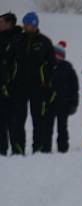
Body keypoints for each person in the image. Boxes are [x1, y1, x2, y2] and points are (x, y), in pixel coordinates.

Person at [6, 11, 54, 154]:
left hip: (38, 87)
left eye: (30, 24)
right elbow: (8, 62)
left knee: (38, 119)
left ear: (35, 25)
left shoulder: (44, 42)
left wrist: (48, 84)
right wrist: (8, 81)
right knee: (18, 119)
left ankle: (38, 147)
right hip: (18, 86)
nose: (27, 27)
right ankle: (18, 148)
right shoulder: (17, 40)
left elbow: (51, 65)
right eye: (25, 24)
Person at [44, 40, 78, 153]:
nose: (56, 57)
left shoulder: (68, 69)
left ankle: (63, 148)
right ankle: (46, 147)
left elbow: (74, 88)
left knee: (62, 127)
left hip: (64, 103)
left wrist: (74, 103)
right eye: (54, 55)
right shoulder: (47, 67)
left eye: (59, 55)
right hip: (50, 102)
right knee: (47, 127)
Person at [0, 12, 22, 156]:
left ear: (10, 23)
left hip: (15, 86)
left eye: (2, 21)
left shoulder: (18, 38)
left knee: (15, 120)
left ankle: (17, 149)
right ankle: (1, 149)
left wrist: (9, 81)